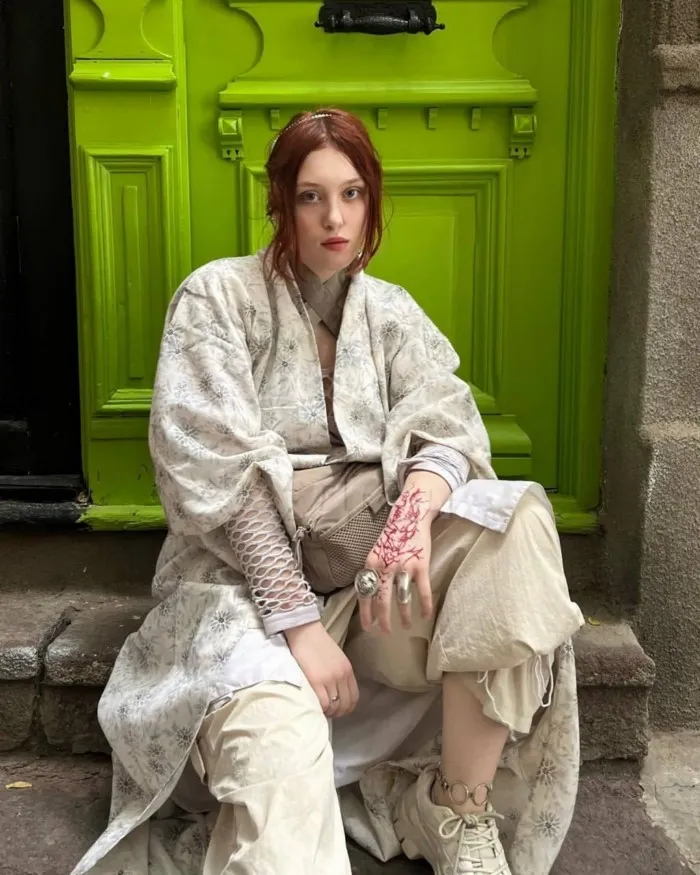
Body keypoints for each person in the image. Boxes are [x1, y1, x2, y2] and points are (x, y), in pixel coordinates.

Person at [70, 108, 584, 875]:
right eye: (311, 196)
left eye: (351, 193)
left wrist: (412, 520)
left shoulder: (391, 312)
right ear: (280, 203)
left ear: (372, 201)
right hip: (244, 596)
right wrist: (300, 626)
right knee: (280, 768)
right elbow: (225, 477)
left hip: (376, 586)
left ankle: (456, 806)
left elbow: (447, 424)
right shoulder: (216, 299)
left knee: (517, 520)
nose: (335, 218)